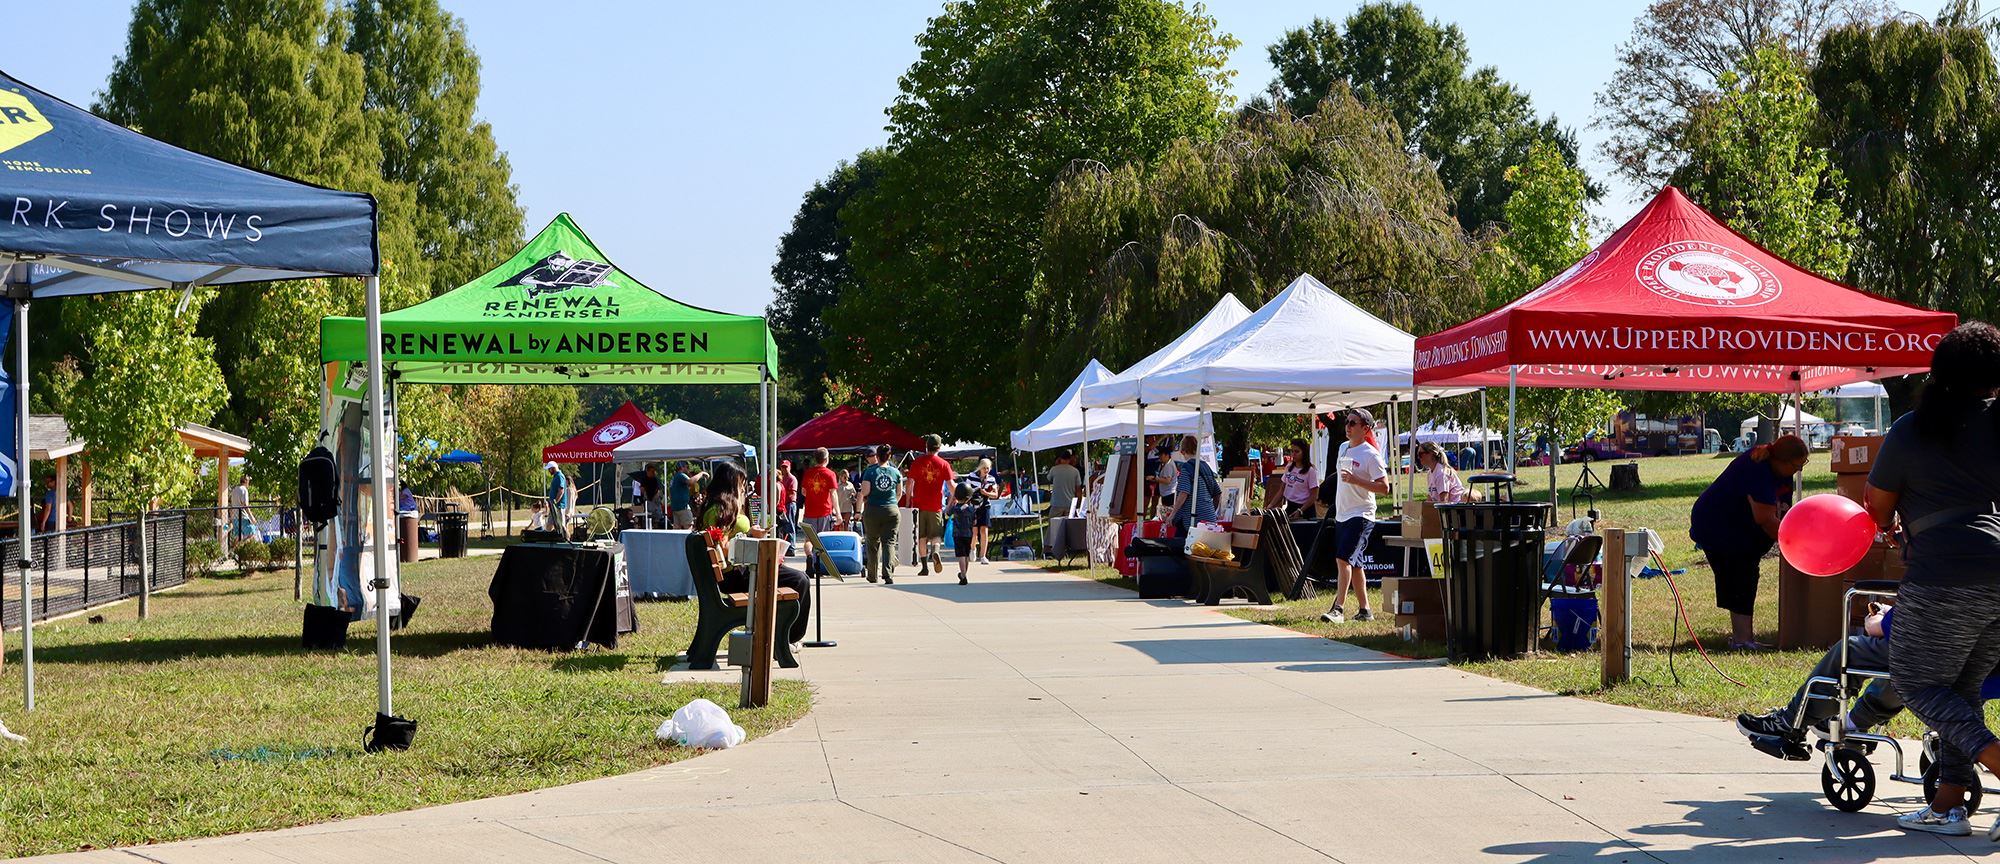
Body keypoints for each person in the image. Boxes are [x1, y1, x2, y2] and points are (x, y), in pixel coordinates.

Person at [1866, 322, 2000, 837]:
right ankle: (1948, 806)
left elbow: (1877, 510)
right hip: (1997, 570)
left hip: (1945, 571)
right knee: (1962, 690)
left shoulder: (1911, 429)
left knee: (1916, 684)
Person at [1735, 603, 1905, 761]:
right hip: (1928, 663)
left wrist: (1879, 622)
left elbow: (1900, 625)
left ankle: (1789, 722)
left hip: (1913, 647)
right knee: (1904, 672)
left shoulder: (1923, 574)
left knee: (1848, 650)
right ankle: (1854, 721)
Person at [1688, 433, 1807, 651]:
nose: (1799, 470)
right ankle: (1742, 640)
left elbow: (1782, 512)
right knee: (1742, 575)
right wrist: (1796, 548)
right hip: (1718, 524)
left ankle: (1744, 638)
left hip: (1737, 527)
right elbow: (1765, 519)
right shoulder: (1757, 470)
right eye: (1797, 465)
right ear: (1781, 460)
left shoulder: (1782, 471)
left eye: (1803, 464)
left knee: (1744, 573)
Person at [696, 460, 813, 645]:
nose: (743, 489)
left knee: (799, 579)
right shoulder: (722, 510)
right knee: (800, 580)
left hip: (733, 574)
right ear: (730, 484)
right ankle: (787, 639)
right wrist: (749, 537)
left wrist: (750, 533)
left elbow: (725, 543)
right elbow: (725, 549)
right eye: (741, 483)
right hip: (737, 576)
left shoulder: (717, 508)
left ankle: (786, 637)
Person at [1323, 408, 1387, 624]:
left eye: (1353, 423)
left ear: (1365, 428)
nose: (1348, 426)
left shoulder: (1371, 454)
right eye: (1347, 422)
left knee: (1342, 559)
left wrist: (1356, 481)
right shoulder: (1342, 448)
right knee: (1355, 563)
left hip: (1361, 514)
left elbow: (1384, 488)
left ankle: (1338, 609)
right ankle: (1365, 610)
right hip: (1342, 514)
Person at [906, 436, 955, 574]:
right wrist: (952, 503)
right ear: (939, 447)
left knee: (921, 537)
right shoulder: (944, 464)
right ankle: (936, 551)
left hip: (919, 506)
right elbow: (951, 487)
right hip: (935, 506)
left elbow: (909, 483)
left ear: (926, 446)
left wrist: (909, 500)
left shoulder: (917, 462)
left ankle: (924, 568)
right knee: (936, 535)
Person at [858, 444, 903, 584]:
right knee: (889, 542)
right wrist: (891, 503)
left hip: (873, 509)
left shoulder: (870, 472)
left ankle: (872, 574)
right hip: (891, 510)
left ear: (876, 456)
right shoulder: (896, 473)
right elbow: (899, 493)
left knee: (872, 542)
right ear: (889, 456)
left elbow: (865, 491)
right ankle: (888, 573)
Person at [1165, 435, 1219, 537]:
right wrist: (1210, 511)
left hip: (1193, 519)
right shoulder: (1206, 467)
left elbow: (1184, 493)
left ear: (1182, 451)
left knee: (1178, 545)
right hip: (1210, 519)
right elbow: (1217, 494)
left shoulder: (1187, 467)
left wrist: (1172, 515)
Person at [966, 457, 1001, 565]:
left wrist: (985, 493)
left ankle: (983, 555)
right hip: (973, 505)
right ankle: (972, 549)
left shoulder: (991, 479)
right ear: (980, 468)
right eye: (985, 468)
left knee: (984, 530)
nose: (986, 470)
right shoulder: (972, 476)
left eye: (988, 468)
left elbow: (995, 495)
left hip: (985, 505)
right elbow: (966, 490)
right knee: (974, 530)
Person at [944, 482, 978, 585]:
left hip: (957, 534)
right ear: (969, 497)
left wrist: (951, 504)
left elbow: (946, 515)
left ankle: (963, 575)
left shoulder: (955, 508)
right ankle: (964, 574)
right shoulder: (971, 509)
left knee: (961, 556)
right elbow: (975, 522)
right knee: (966, 555)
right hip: (968, 534)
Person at [802, 448, 841, 535]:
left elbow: (803, 492)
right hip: (825, 511)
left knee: (809, 540)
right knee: (823, 539)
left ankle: (808, 549)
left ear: (815, 459)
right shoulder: (830, 474)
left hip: (809, 511)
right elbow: (833, 494)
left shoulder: (808, 473)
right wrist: (838, 514)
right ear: (826, 459)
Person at [1279, 438, 1318, 519]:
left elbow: (1314, 496)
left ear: (1304, 452)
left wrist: (1300, 510)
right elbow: (1282, 490)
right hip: (1290, 507)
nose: (1293, 454)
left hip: (1305, 509)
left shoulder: (1311, 471)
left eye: (1297, 451)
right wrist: (1270, 506)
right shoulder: (1289, 467)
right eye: (1292, 451)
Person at [669, 461, 705, 529]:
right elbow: (690, 482)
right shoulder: (681, 475)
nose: (688, 469)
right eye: (687, 467)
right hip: (683, 507)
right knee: (688, 527)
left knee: (677, 530)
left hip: (675, 508)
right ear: (682, 467)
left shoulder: (674, 478)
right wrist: (701, 474)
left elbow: (670, 494)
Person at [1047, 450, 1083, 519]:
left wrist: (1056, 464)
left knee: (1053, 527)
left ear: (1060, 458)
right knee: (1070, 527)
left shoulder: (1054, 469)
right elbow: (1078, 489)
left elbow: (1048, 479)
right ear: (1069, 459)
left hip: (1056, 503)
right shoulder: (1075, 471)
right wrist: (1079, 502)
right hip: (1070, 504)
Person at [543, 461, 572, 531]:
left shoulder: (559, 476)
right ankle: (549, 540)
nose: (548, 471)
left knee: (561, 526)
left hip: (559, 506)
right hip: (554, 506)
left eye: (549, 469)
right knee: (549, 525)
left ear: (553, 468)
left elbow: (561, 491)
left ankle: (567, 540)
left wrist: (555, 501)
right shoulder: (556, 476)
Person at [640, 464, 665, 528]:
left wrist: (656, 497)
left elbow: (658, 489)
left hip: (655, 500)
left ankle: (656, 528)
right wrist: (646, 496)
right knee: (648, 517)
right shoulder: (644, 479)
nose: (654, 473)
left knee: (657, 518)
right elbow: (642, 489)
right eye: (652, 471)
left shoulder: (655, 479)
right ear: (648, 471)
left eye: (654, 471)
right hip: (648, 501)